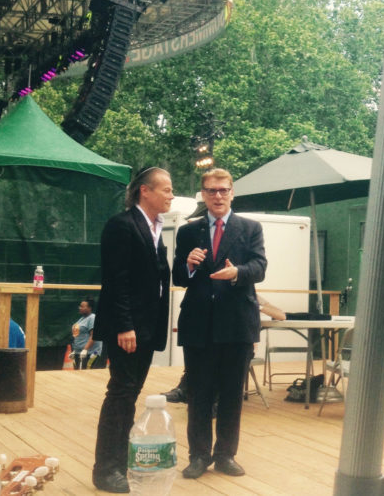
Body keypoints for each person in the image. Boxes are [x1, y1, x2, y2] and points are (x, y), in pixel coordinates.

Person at [173, 168, 267, 480]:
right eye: (212, 191)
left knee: (230, 394)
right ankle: (198, 456)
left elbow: (260, 267)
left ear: (232, 193)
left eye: (223, 190)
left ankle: (226, 455)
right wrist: (187, 264)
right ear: (203, 194)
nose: (218, 196)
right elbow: (176, 276)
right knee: (198, 394)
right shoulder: (189, 232)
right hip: (199, 324)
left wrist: (237, 272)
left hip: (237, 324)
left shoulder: (250, 228)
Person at [91, 167, 174, 493]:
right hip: (127, 329)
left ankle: (119, 462)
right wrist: (125, 325)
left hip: (146, 329)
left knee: (129, 395)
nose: (170, 194)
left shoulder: (156, 228)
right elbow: (117, 281)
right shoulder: (122, 225)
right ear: (145, 191)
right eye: (165, 189)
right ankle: (105, 469)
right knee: (121, 395)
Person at [162, 294, 286, 404]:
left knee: (221, 359)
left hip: (241, 347)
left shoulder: (252, 296)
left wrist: (256, 306)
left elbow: (281, 315)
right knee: (204, 357)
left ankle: (193, 395)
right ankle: (187, 392)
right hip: (219, 342)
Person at [70, 298, 102, 369]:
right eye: (79, 306)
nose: (79, 308)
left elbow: (93, 335)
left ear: (89, 308)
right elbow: (79, 335)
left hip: (90, 353)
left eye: (82, 306)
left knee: (86, 375)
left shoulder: (92, 318)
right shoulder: (81, 319)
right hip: (79, 353)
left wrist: (85, 349)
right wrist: (75, 351)